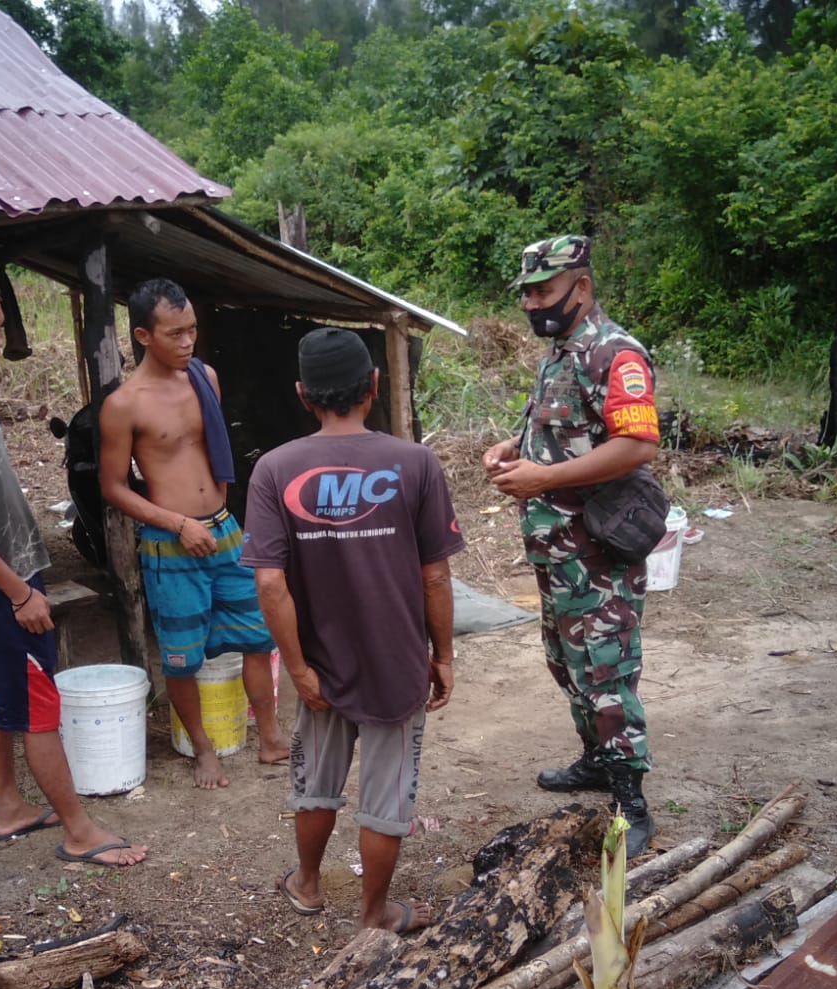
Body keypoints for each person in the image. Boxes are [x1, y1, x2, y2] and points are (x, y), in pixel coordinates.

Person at [0, 262, 146, 866]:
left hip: (5, 573)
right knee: (39, 702)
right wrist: (18, 592)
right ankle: (79, 831)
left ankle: (9, 807)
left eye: (0, 329)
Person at [242, 328, 464, 933]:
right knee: (387, 796)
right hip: (396, 662)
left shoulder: (274, 469)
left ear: (302, 394)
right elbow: (436, 575)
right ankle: (374, 914)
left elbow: (269, 584)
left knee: (316, 781)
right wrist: (443, 655)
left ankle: (308, 884)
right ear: (374, 385)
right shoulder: (415, 463)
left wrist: (298, 669)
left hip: (320, 663)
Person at [483, 234, 659, 856]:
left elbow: (637, 445)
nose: (531, 303)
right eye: (526, 293)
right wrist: (514, 447)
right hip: (556, 548)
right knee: (567, 662)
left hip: (597, 551)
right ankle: (595, 761)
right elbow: (567, 425)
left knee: (606, 670)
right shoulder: (561, 351)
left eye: (544, 291)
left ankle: (631, 802)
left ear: (581, 287)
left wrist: (544, 477)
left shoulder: (615, 353)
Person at [99, 278, 287, 790]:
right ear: (143, 335)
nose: (187, 342)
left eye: (192, 330)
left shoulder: (205, 377)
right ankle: (203, 749)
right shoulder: (124, 404)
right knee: (181, 658)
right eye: (174, 334)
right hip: (170, 542)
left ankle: (271, 738)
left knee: (257, 635)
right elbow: (113, 488)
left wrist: (218, 515)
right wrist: (178, 523)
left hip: (224, 530)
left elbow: (215, 451)